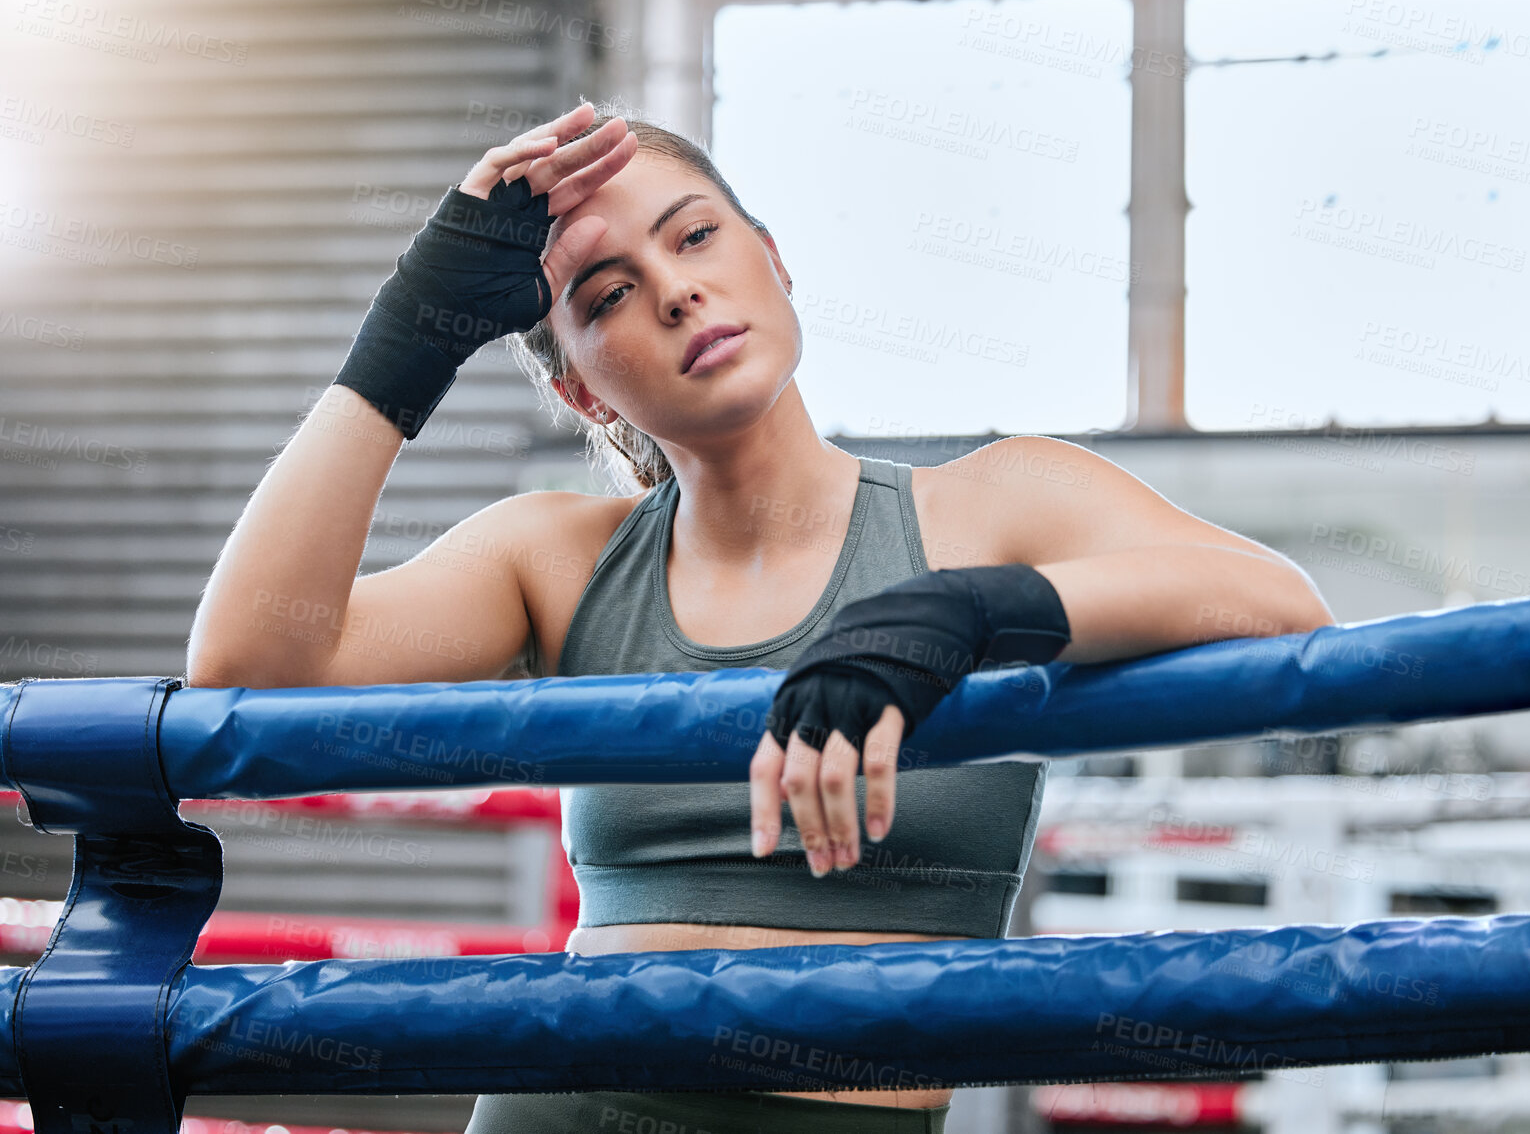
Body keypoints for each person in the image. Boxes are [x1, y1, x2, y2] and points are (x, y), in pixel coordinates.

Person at [185, 99, 1334, 1133]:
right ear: (582, 387)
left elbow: (1281, 607)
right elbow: (252, 662)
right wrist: (408, 337)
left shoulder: (996, 504)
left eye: (694, 237)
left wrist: (964, 613)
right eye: (608, 294)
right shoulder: (556, 556)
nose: (677, 289)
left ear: (772, 261)